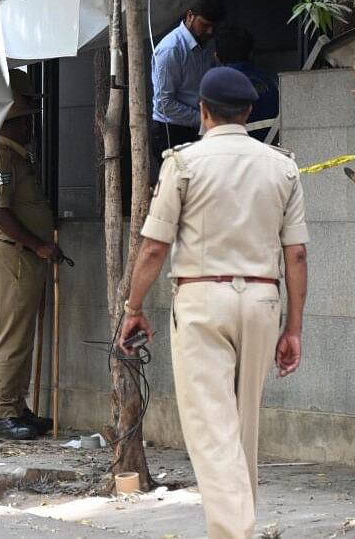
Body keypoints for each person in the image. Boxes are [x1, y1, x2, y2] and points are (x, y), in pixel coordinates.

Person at [120, 67, 308, 539]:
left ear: (202, 111)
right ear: (248, 112)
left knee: (210, 427)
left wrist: (133, 307)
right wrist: (294, 328)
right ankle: (238, 525)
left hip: (203, 300)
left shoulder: (183, 163)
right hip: (264, 300)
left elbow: (154, 247)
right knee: (242, 427)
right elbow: (298, 253)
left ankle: (233, 532)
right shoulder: (282, 165)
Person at [0, 93, 60, 440]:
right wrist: (37, 244)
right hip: (14, 253)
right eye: (25, 119)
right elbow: (0, 210)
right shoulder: (4, 155)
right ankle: (4, 410)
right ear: (11, 122)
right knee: (13, 332)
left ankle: (11, 404)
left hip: (7, 249)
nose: (31, 125)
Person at [150, 0, 225, 164]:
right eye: (205, 25)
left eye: (213, 26)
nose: (210, 31)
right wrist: (203, 120)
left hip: (196, 127)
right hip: (171, 132)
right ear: (189, 16)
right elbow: (164, 104)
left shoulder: (204, 44)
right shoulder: (171, 50)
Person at [214, 25, 279, 142]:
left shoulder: (218, 90)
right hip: (272, 150)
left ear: (216, 57)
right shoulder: (271, 83)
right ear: (251, 53)